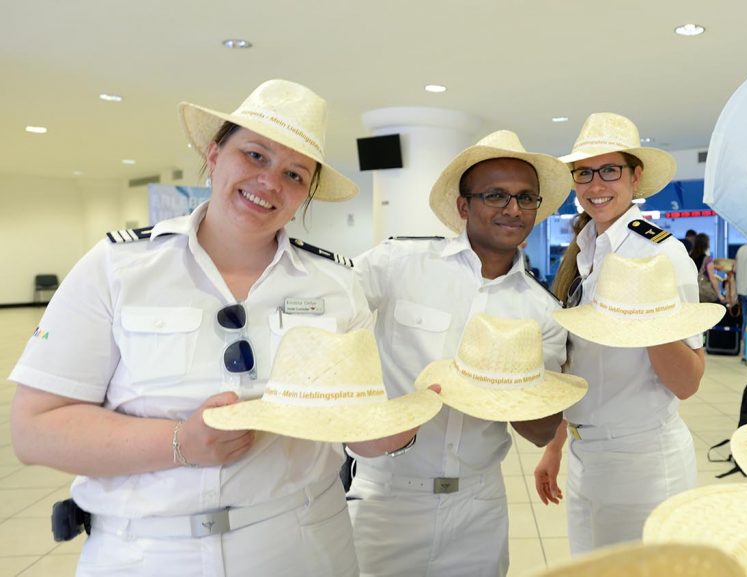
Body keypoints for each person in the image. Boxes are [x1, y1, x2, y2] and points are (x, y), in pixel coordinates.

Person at [7, 79, 418, 577]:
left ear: (306, 192)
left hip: (303, 545)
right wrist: (180, 442)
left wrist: (385, 436)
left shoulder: (338, 284)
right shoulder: (119, 268)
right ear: (214, 153)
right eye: (255, 155)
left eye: (294, 173)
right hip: (147, 553)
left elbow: (352, 424)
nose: (270, 182)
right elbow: (34, 429)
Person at [348, 130, 572, 576]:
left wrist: (506, 387)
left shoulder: (543, 310)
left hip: (478, 505)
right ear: (463, 206)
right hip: (387, 496)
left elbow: (542, 431)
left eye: (526, 198)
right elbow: (329, 318)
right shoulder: (398, 264)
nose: (513, 209)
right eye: (496, 195)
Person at [534, 112, 706, 555]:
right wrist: (555, 445)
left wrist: (647, 319)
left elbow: (687, 382)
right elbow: (575, 360)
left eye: (610, 170)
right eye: (584, 173)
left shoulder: (662, 255)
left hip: (643, 461)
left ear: (635, 176)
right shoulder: (583, 250)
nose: (596, 185)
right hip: (584, 454)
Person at [689, 233, 726, 304]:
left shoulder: (689, 256)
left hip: (691, 291)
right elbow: (712, 278)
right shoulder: (707, 259)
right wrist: (719, 294)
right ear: (706, 244)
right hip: (704, 293)